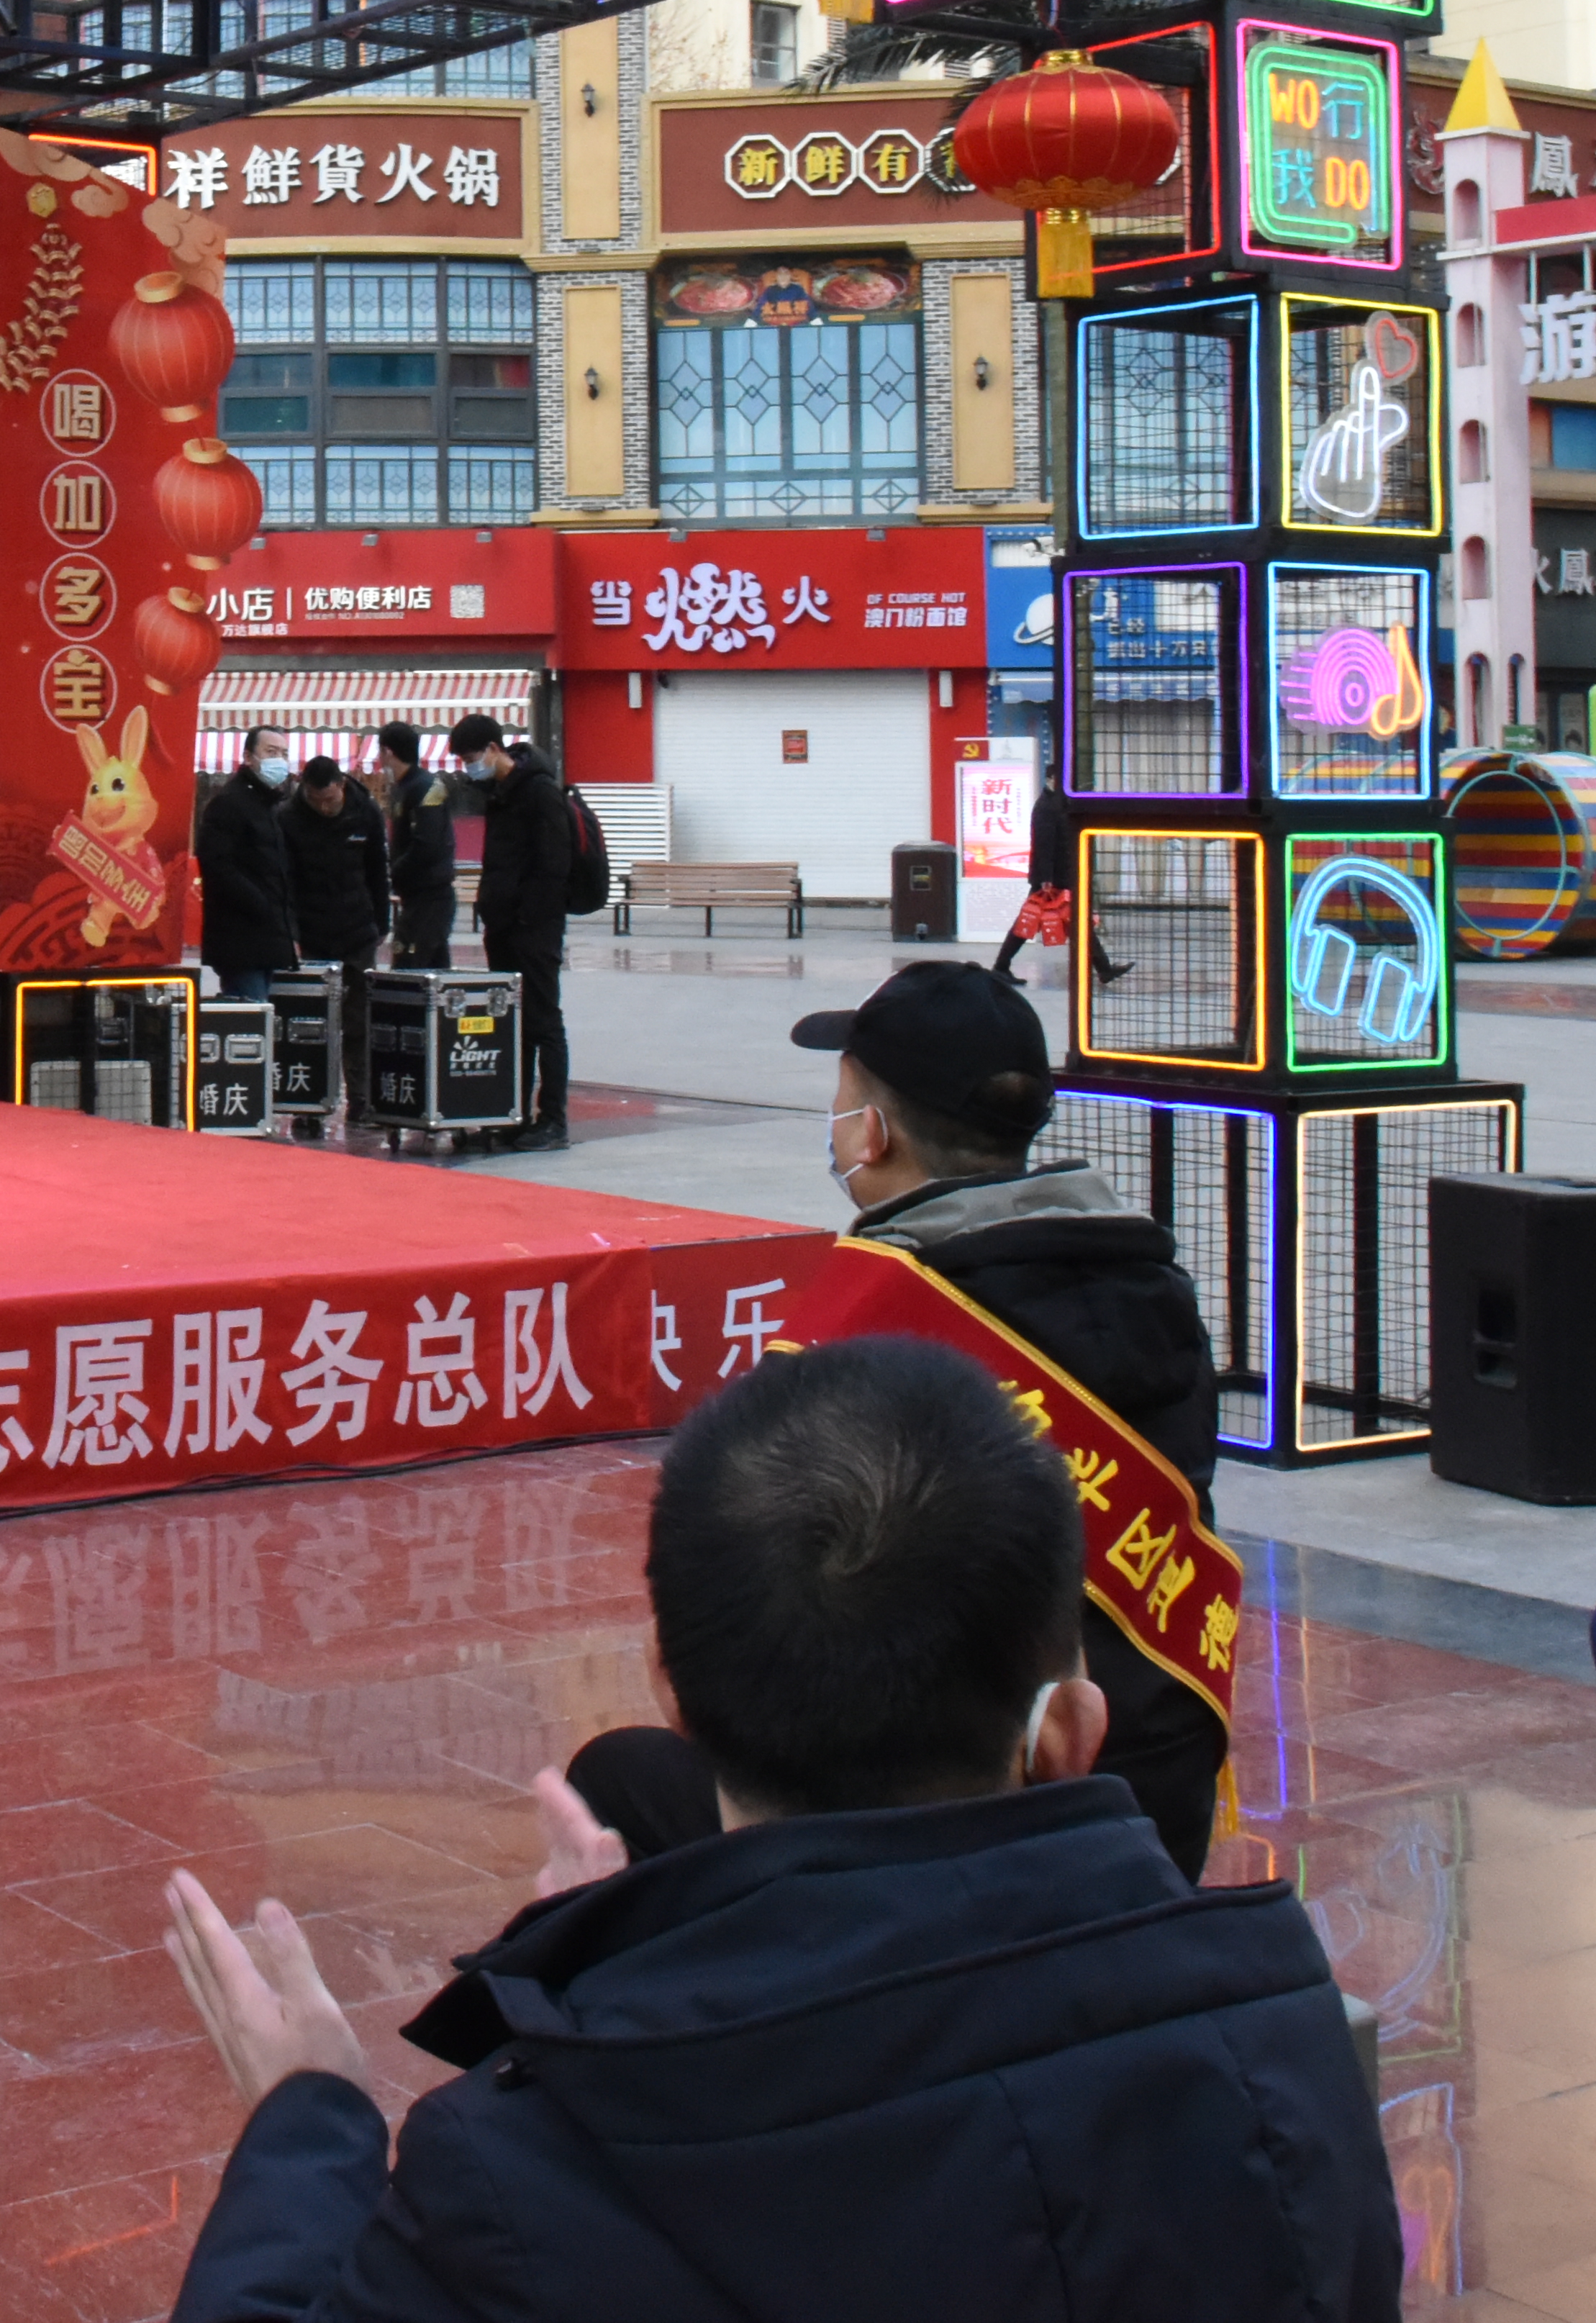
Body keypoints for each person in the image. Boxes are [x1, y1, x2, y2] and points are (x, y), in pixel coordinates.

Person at [155, 1338, 1401, 2323]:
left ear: (669, 1688)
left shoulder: (518, 2170)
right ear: (1071, 1731)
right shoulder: (1285, 2036)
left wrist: (306, 2117)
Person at [709, 962, 1225, 1873]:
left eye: (844, 1103)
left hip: (949, 1839)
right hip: (1159, 1802)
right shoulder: (1155, 1284)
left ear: (869, 1133)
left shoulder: (865, 1334)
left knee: (632, 1779)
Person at [452, 712, 586, 1151]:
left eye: (472, 757)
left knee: (545, 1023)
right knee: (512, 1024)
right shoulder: (500, 793)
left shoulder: (540, 793)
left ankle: (553, 1121)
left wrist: (527, 919)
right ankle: (513, 1113)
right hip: (505, 928)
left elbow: (553, 866)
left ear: (494, 749)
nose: (469, 767)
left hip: (535, 931)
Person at [197, 727, 301, 1000]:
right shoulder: (229, 803)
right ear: (248, 757)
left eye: (284, 753)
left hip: (266, 939)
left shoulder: (269, 806)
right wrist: (260, 903)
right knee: (249, 1018)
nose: (279, 759)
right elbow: (217, 864)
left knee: (262, 1017)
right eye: (271, 752)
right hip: (240, 939)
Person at [284, 757, 390, 969]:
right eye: (315, 800)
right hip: (311, 930)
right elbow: (286, 882)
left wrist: (382, 923)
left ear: (342, 784)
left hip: (358, 928)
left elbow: (377, 870)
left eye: (330, 800)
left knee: (360, 996)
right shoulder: (288, 817)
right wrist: (292, 933)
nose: (324, 808)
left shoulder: (366, 811)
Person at [368, 719, 456, 967]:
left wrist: (392, 872)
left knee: (411, 967)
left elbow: (426, 845)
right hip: (414, 895)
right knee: (431, 968)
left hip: (431, 896)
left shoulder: (426, 788)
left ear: (387, 752)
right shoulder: (405, 787)